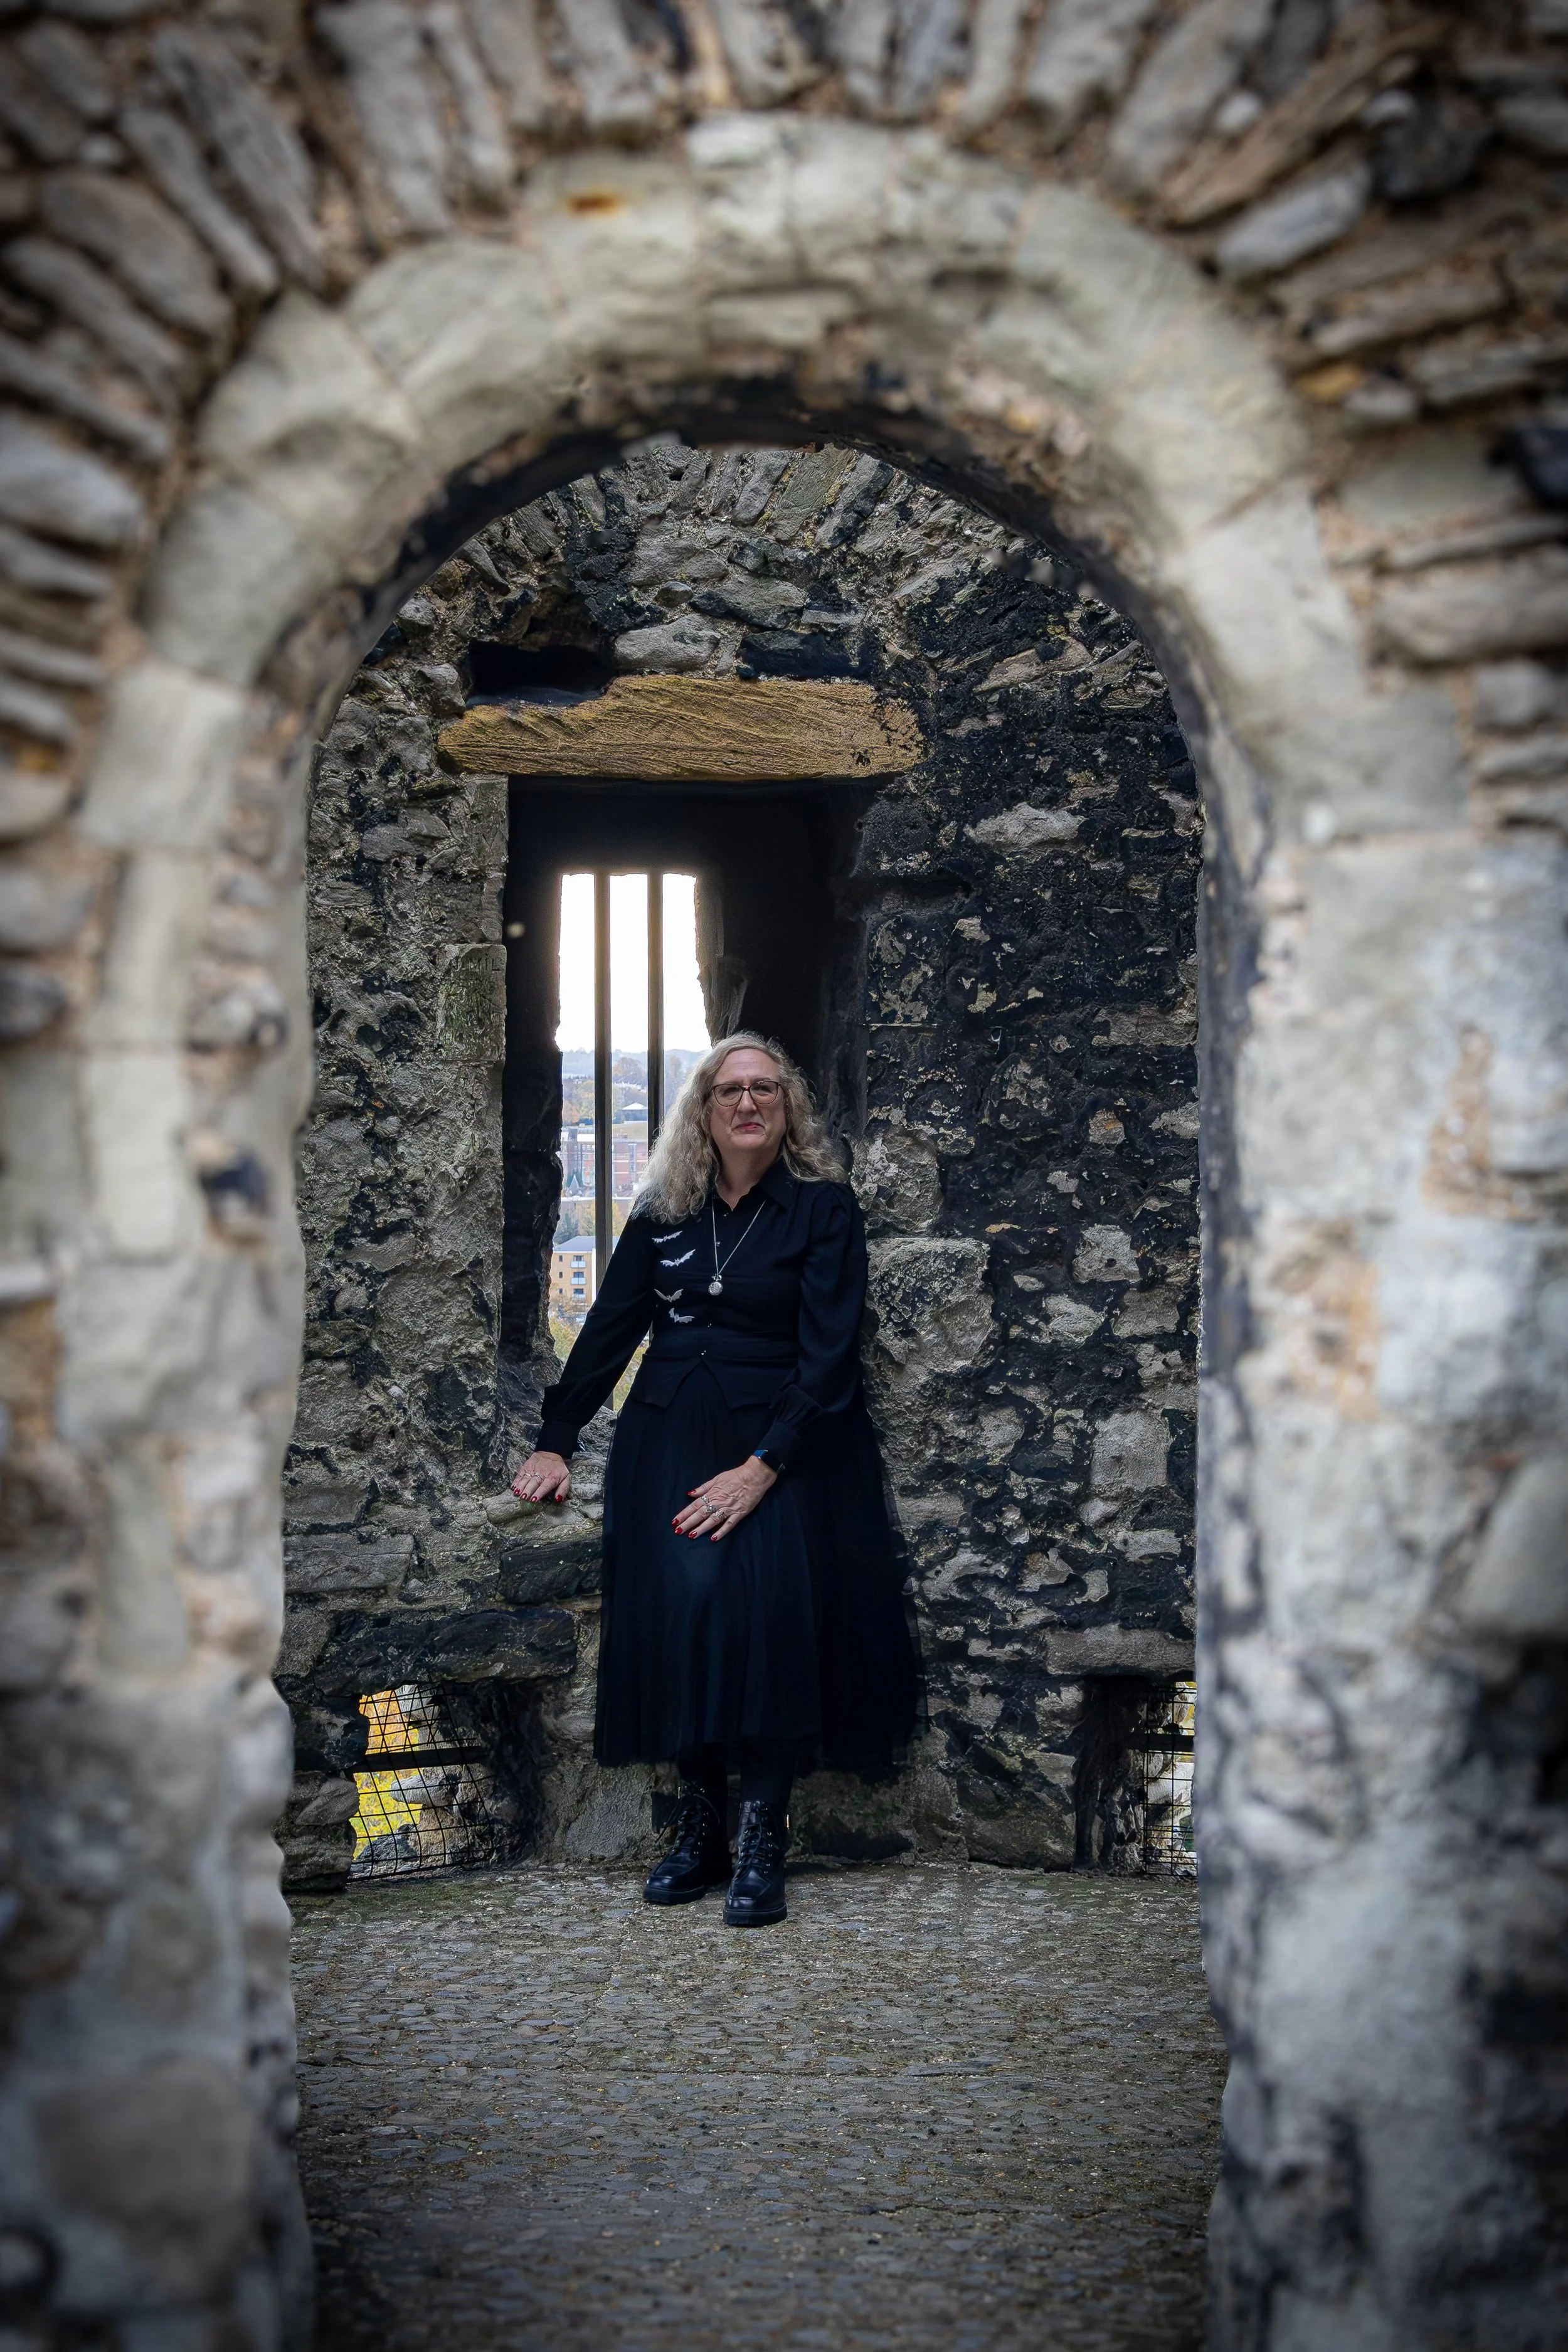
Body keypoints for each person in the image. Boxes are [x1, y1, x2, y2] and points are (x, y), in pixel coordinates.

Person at [511, 1032, 920, 1927]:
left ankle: (763, 1829)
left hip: (783, 1441)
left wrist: (762, 1468)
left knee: (763, 1608)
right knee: (680, 1605)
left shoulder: (820, 1209)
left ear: (787, 1107)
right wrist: (555, 1437)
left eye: (764, 1089)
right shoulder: (665, 1207)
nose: (746, 1104)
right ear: (703, 1109)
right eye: (728, 1090)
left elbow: (828, 1360)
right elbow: (612, 1326)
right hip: (666, 1432)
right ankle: (701, 1829)